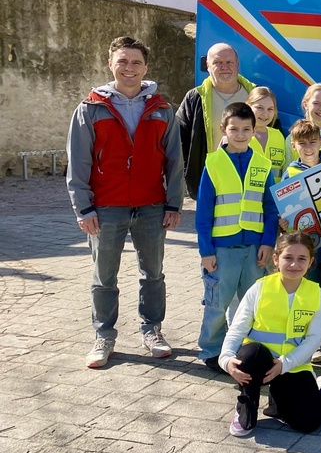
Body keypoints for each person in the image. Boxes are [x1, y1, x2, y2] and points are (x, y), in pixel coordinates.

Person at [66, 36, 183, 368]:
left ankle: (152, 331)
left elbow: (175, 159)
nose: (129, 68)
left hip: (151, 206)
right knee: (104, 277)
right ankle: (104, 335)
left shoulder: (162, 109)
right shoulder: (90, 108)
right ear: (110, 64)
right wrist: (83, 208)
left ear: (145, 67)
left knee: (154, 274)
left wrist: (173, 203)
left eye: (135, 62)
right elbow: (78, 162)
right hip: (106, 207)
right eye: (122, 61)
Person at [195, 102, 278, 372]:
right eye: (234, 129)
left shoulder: (262, 165)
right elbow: (204, 211)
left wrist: (268, 242)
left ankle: (245, 349)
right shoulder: (214, 162)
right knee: (217, 303)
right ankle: (211, 351)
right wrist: (206, 251)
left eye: (246, 129)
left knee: (251, 304)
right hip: (222, 249)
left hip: (255, 249)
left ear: (255, 131)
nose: (240, 134)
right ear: (224, 130)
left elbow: (270, 207)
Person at [221, 232, 321, 437]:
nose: (294, 264)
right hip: (258, 362)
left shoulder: (316, 293)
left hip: (291, 364)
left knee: (309, 422)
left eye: (301, 259)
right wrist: (225, 359)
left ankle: (278, 404)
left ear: (311, 262)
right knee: (251, 354)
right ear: (276, 259)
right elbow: (237, 328)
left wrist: (285, 364)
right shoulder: (260, 288)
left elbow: (314, 339)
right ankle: (245, 408)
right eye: (288, 257)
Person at [279, 119, 321, 360]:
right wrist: (283, 225)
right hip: (308, 248)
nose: (308, 147)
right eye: (302, 143)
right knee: (309, 294)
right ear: (294, 146)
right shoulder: (290, 173)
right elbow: (283, 213)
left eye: (313, 142)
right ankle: (312, 344)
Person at [178, 43, 255, 199]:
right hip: (210, 180)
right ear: (207, 66)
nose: (224, 67)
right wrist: (189, 175)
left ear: (237, 65)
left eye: (229, 62)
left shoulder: (255, 96)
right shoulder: (195, 98)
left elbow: (272, 132)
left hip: (248, 179)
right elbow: (179, 139)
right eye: (218, 63)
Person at [246, 86, 286, 185]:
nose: (265, 113)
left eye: (270, 109)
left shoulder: (278, 136)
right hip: (248, 199)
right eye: (259, 108)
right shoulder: (239, 136)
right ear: (248, 106)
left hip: (273, 198)